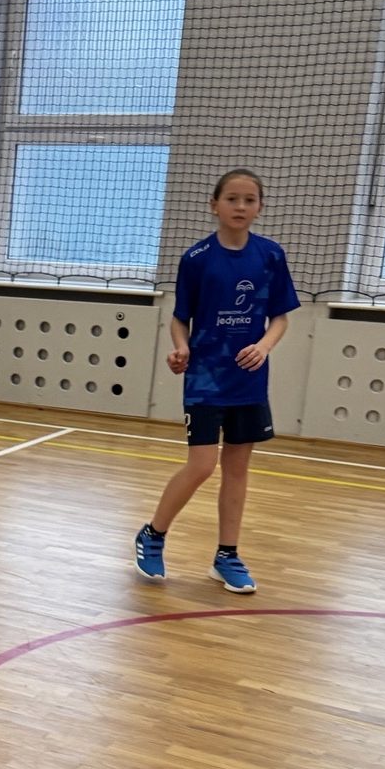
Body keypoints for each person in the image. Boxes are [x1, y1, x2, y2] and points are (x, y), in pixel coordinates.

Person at [134, 170, 300, 593]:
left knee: (238, 468)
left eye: (249, 199)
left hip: (248, 381)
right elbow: (179, 319)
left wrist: (264, 346)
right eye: (232, 199)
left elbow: (280, 318)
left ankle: (227, 556)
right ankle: (153, 534)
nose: (240, 206)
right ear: (215, 205)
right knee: (203, 465)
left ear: (260, 206)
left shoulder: (270, 255)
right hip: (206, 379)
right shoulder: (197, 259)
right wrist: (181, 348)